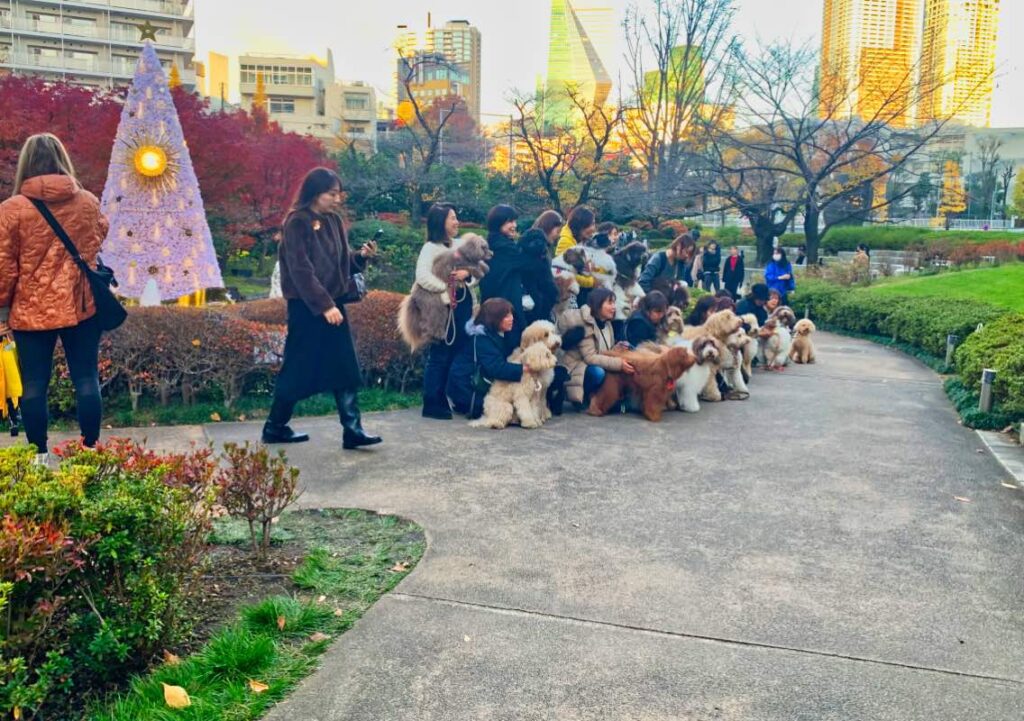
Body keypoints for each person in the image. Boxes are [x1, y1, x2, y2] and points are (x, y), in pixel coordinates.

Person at [0, 133, 108, 464]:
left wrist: (3, 310)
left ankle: (40, 455)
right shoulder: (87, 201)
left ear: (26, 164)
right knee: (87, 376)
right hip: (81, 304)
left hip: (31, 309)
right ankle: (90, 449)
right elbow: (98, 239)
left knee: (34, 383)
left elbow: (4, 267)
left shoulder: (11, 210)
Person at [262, 167, 381, 450]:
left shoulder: (334, 221)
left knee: (345, 366)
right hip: (307, 308)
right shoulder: (297, 222)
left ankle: (353, 430)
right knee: (297, 368)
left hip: (333, 305)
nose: (337, 199)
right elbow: (301, 270)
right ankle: (275, 427)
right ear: (315, 193)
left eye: (338, 194)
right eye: (332, 194)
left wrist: (360, 257)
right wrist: (324, 305)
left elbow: (339, 263)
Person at [415, 203, 474, 420]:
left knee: (457, 352)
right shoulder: (430, 248)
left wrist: (467, 275)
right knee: (440, 354)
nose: (456, 222)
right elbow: (422, 276)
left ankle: (453, 397)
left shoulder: (459, 245)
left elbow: (475, 273)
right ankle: (432, 402)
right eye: (452, 218)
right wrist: (445, 288)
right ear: (441, 222)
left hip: (463, 305)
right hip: (442, 309)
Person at [446, 298, 528, 420]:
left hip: (473, 388)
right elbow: (496, 368)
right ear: (494, 318)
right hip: (467, 394)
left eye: (511, 314)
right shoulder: (482, 339)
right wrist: (525, 369)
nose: (511, 318)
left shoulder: (493, 335)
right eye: (506, 316)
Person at [557, 287, 635, 408]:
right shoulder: (585, 322)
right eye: (609, 302)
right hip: (576, 368)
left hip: (589, 364)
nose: (614, 307)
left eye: (614, 303)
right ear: (598, 303)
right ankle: (584, 396)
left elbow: (602, 351)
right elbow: (590, 357)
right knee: (598, 373)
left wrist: (615, 349)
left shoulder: (607, 324)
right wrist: (619, 363)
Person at [479, 204, 529, 349]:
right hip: (505, 309)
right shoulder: (504, 248)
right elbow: (527, 264)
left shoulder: (492, 245)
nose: (514, 225)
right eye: (509, 221)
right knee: (509, 349)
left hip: (493, 307)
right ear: (497, 222)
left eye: (514, 221)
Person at [518, 219, 560, 324]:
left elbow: (549, 284)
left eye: (540, 241)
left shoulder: (543, 258)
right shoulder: (523, 259)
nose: (537, 243)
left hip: (543, 297)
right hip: (530, 297)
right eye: (532, 241)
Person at [554, 206, 598, 301]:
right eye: (591, 224)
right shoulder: (566, 241)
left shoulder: (583, 240)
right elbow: (563, 272)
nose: (593, 228)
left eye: (594, 224)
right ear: (580, 225)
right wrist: (591, 282)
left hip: (583, 291)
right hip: (571, 294)